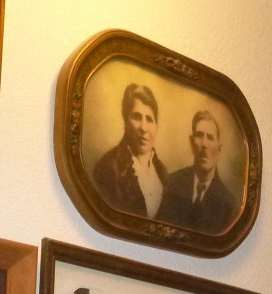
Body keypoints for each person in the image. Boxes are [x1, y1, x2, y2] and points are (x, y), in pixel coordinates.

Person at [93, 83, 167, 218]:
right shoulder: (108, 168)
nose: (143, 128)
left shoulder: (163, 172)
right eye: (137, 117)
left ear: (156, 126)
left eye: (149, 119)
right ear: (125, 122)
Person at [157, 110, 236, 234]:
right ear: (191, 142)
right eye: (199, 135)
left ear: (219, 149)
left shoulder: (227, 203)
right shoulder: (172, 183)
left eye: (210, 137)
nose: (204, 144)